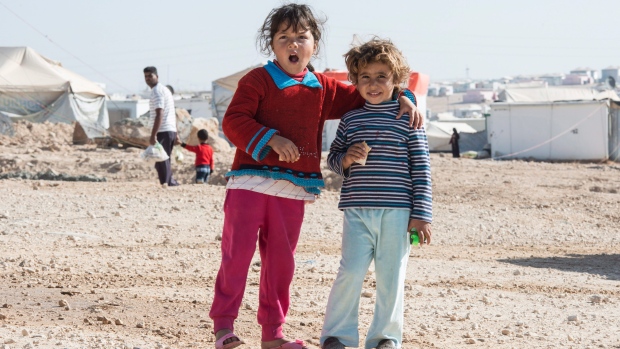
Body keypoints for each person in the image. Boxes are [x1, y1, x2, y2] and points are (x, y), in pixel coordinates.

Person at [208, 4, 424, 349]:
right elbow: (234, 121)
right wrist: (271, 139)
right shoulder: (257, 79)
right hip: (249, 182)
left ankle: (273, 336)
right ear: (272, 45)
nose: (293, 45)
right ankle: (223, 328)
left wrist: (406, 96)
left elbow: (370, 92)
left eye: (301, 37)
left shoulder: (321, 87)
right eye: (284, 38)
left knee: (281, 265)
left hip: (293, 190)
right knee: (237, 256)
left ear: (315, 43)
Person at [320, 38, 433, 349]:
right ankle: (337, 336)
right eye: (365, 77)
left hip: (398, 213)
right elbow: (333, 160)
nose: (373, 84)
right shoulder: (350, 119)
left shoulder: (410, 119)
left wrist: (421, 216)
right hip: (356, 210)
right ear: (355, 81)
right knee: (350, 272)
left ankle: (385, 338)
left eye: (381, 77)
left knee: (391, 276)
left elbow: (422, 169)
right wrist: (345, 159)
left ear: (396, 80)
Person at [144, 66, 179, 187]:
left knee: (161, 158)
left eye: (150, 76)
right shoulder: (163, 89)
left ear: (157, 77)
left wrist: (153, 135)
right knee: (164, 157)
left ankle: (167, 183)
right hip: (169, 129)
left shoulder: (157, 91)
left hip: (163, 129)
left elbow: (160, 113)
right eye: (146, 76)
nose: (148, 79)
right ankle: (169, 181)